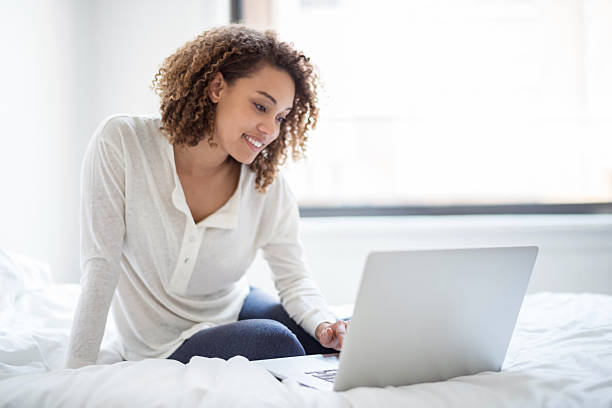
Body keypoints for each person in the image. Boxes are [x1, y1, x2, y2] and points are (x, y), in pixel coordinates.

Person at [65, 24, 347, 369]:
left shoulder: (267, 184)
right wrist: (77, 372)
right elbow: (101, 265)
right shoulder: (123, 142)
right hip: (161, 342)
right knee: (274, 341)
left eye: (280, 117)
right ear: (217, 87)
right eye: (260, 106)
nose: (271, 130)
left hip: (232, 306)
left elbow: (293, 277)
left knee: (329, 337)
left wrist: (323, 322)